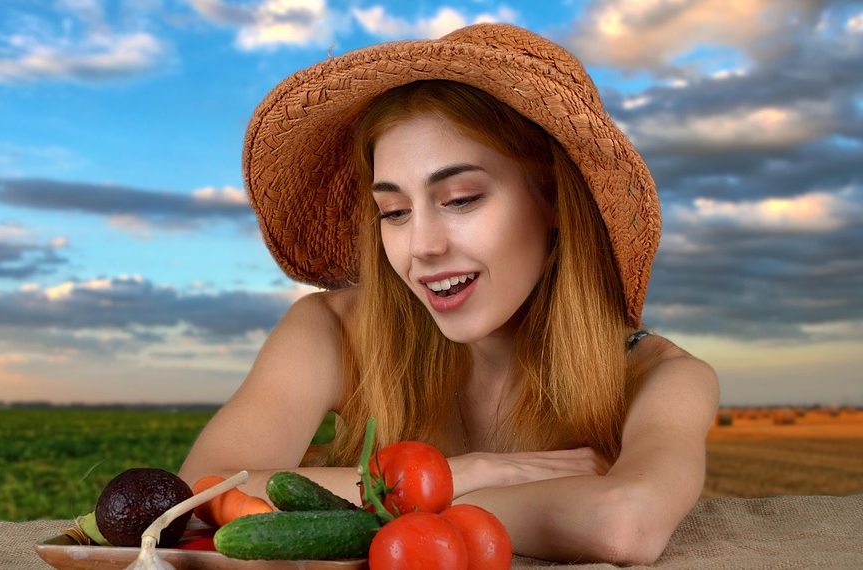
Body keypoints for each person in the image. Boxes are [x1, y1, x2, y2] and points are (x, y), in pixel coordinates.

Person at [179, 23, 719, 564]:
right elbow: (202, 492)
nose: (422, 247)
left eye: (460, 199)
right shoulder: (331, 326)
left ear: (553, 198)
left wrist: (372, 506)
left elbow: (620, 522)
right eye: (394, 212)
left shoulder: (662, 376)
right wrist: (469, 474)